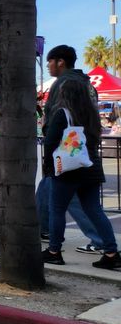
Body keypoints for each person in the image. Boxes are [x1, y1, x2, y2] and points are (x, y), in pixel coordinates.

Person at [42, 78, 120, 269]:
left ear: (64, 94)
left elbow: (50, 141)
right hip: (92, 169)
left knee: (57, 210)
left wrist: (48, 165)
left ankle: (54, 251)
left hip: (69, 171)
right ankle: (111, 252)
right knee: (95, 210)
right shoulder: (92, 115)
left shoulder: (63, 114)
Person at [37, 45, 106, 254]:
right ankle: (46, 231)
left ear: (60, 61)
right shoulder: (86, 84)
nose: (48, 65)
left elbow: (60, 117)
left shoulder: (65, 84)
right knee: (46, 190)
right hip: (82, 148)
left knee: (75, 200)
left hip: (68, 150)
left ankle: (101, 241)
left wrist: (49, 150)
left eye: (50, 61)